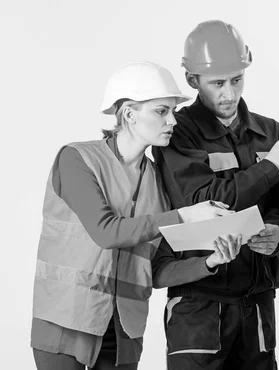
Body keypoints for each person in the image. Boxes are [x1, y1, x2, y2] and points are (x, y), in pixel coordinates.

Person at [31, 61, 241, 370]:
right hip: (66, 321)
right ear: (129, 113)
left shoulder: (158, 181)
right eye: (161, 111)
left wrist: (209, 263)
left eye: (172, 111)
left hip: (124, 332)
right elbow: (106, 232)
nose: (173, 121)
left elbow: (156, 271)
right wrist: (185, 215)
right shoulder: (77, 159)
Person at [151, 20, 279, 370]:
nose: (229, 94)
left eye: (237, 80)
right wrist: (271, 167)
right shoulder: (177, 133)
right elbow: (204, 200)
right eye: (217, 83)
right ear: (192, 81)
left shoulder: (271, 132)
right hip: (199, 302)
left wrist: (278, 233)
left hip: (258, 299)